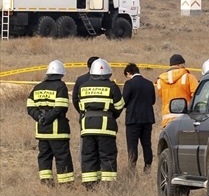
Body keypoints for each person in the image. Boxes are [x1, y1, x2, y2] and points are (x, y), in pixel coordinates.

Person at [73, 57, 124, 186]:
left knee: (89, 155)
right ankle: (108, 185)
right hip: (106, 127)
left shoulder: (83, 87)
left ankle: (89, 185)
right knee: (107, 155)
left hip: (87, 127)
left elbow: (79, 106)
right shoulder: (112, 86)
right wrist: (110, 116)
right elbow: (119, 106)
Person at [26, 60, 74, 186]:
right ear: (61, 74)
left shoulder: (38, 87)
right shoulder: (61, 86)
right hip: (58, 131)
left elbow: (30, 106)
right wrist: (48, 118)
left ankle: (46, 183)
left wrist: (40, 117)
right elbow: (61, 107)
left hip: (42, 131)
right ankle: (66, 184)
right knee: (62, 157)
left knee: (44, 156)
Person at [122, 63, 156, 172]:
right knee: (147, 144)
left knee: (132, 145)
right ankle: (148, 167)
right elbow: (153, 101)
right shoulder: (149, 83)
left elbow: (124, 101)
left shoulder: (129, 84)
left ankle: (132, 168)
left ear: (128, 73)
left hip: (133, 119)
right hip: (147, 118)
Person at [155, 55, 197, 125]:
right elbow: (197, 96)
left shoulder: (160, 81)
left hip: (167, 119)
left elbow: (161, 96)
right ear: (180, 65)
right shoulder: (189, 77)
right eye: (184, 64)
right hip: (185, 118)